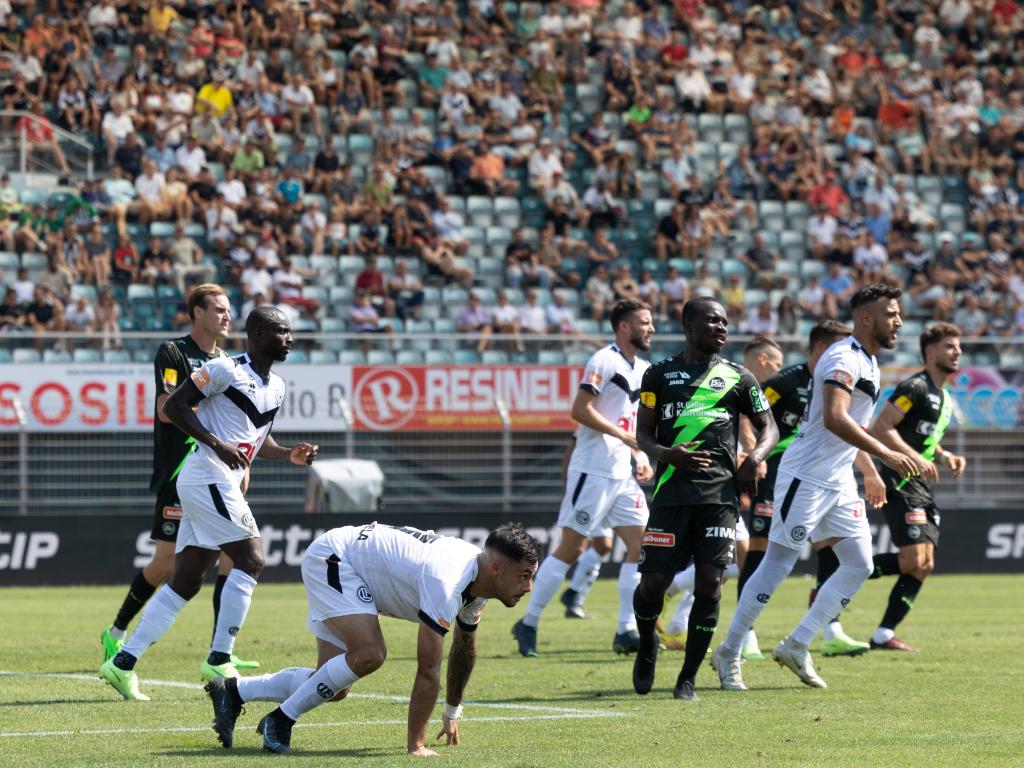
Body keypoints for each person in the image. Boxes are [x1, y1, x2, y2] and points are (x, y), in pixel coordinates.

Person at [711, 284, 925, 691]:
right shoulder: (844, 357)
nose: (899, 321)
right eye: (891, 313)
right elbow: (835, 418)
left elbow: (852, 426)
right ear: (866, 318)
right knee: (777, 562)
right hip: (807, 475)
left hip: (838, 478)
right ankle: (730, 650)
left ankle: (797, 644)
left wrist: (867, 469)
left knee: (859, 565)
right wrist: (886, 455)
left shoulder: (867, 360)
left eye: (899, 313)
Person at [99, 306, 318, 700]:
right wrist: (216, 444)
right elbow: (174, 406)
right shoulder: (224, 369)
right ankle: (219, 657)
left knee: (185, 581)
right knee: (251, 560)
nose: (289, 338)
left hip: (219, 481)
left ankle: (123, 662)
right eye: (281, 331)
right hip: (206, 476)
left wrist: (288, 454)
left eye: (290, 331)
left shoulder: (277, 385)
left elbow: (255, 437)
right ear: (258, 334)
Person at [205, 522, 540, 755]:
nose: (528, 587)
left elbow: (465, 649)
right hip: (337, 558)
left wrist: (452, 712)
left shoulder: (479, 580)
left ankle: (234, 691)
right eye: (524, 576)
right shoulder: (448, 581)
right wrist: (416, 745)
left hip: (356, 567)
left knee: (334, 686)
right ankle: (280, 720)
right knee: (370, 653)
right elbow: (428, 668)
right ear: (496, 569)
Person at [99, 285, 261, 671]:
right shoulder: (174, 352)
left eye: (228, 309)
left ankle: (221, 651)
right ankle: (116, 632)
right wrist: (203, 404)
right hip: (180, 471)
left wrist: (244, 467)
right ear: (197, 312)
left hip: (218, 473)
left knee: (233, 556)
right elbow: (165, 409)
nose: (227, 316)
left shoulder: (226, 362)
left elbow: (237, 425)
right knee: (166, 564)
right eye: (218, 309)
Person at [631, 297, 778, 701]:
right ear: (688, 326)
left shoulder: (739, 378)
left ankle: (688, 678)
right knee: (653, 584)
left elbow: (770, 429)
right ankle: (647, 643)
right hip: (670, 495)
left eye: (725, 322)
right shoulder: (659, 374)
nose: (721, 328)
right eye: (712, 320)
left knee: (711, 584)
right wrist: (667, 454)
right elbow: (643, 435)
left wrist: (755, 458)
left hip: (719, 498)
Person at [512, 299, 655, 657]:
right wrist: (625, 439)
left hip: (623, 473)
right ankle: (528, 622)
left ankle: (626, 630)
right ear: (624, 327)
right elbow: (580, 410)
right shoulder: (603, 360)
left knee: (643, 547)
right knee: (572, 548)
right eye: (644, 322)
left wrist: (639, 455)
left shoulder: (644, 369)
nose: (651, 328)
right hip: (593, 469)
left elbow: (631, 422)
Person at [734, 321, 868, 660]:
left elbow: (846, 430)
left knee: (833, 547)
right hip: (778, 471)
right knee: (762, 547)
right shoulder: (785, 381)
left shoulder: (842, 382)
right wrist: (754, 453)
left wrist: (869, 472)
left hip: (823, 476)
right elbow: (747, 415)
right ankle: (744, 635)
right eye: (840, 346)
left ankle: (831, 630)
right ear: (821, 348)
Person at [658, 335, 785, 655]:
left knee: (724, 565)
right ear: (763, 361)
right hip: (711, 484)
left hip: (725, 483)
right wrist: (752, 456)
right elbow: (744, 424)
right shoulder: (734, 380)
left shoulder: (741, 381)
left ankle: (677, 618)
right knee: (739, 558)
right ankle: (673, 598)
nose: (780, 370)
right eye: (777, 363)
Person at [864, 323, 966, 651]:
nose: (957, 351)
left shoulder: (945, 398)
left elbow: (925, 441)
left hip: (921, 484)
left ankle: (883, 634)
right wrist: (916, 458)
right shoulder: (915, 387)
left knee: (924, 564)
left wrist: (945, 456)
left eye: (958, 346)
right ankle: (839, 573)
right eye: (950, 346)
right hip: (900, 478)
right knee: (912, 560)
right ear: (930, 352)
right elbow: (882, 427)